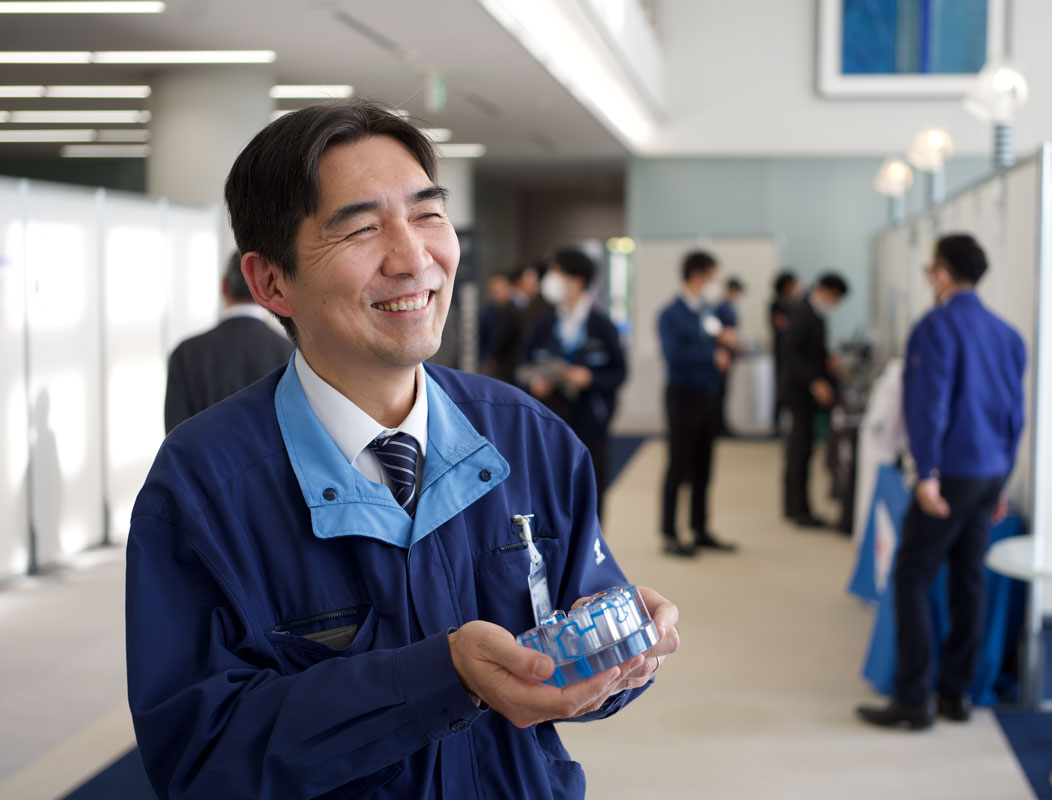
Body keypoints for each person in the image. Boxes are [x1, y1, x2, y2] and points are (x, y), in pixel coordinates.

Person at [126, 100, 680, 800]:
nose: (415, 259)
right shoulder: (204, 487)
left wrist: (623, 653)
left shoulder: (529, 437)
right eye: (361, 227)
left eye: (427, 214)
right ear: (270, 282)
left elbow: (585, 631)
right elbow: (201, 758)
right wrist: (439, 678)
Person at [857, 234, 1025, 730]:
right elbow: (1015, 415)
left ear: (944, 274)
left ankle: (913, 698)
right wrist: (1002, 481)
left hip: (950, 473)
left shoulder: (935, 327)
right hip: (989, 472)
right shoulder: (1007, 334)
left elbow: (928, 406)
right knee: (968, 579)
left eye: (931, 270)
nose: (930, 279)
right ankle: (956, 693)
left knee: (912, 573)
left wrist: (925, 473)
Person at [518, 248, 627, 523]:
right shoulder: (543, 325)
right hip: (549, 421)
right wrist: (534, 382)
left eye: (556, 273)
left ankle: (591, 547)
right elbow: (521, 369)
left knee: (591, 492)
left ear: (577, 280)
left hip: (591, 422)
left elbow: (619, 373)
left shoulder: (601, 325)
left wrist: (590, 378)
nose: (550, 279)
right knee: (549, 492)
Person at [657, 250, 739, 557]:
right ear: (696, 276)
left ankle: (700, 528)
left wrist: (726, 343)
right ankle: (670, 533)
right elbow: (674, 354)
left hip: (709, 393)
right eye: (711, 277)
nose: (714, 283)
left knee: (704, 465)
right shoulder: (671, 314)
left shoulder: (708, 312)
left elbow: (718, 337)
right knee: (679, 463)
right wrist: (711, 355)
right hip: (683, 394)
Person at [163, 251, 293, 432]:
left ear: (223, 287)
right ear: (265, 288)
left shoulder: (186, 353)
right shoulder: (289, 351)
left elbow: (174, 433)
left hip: (202, 451)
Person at [780, 273, 848, 528]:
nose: (834, 303)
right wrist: (815, 381)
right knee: (799, 450)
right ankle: (798, 509)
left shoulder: (814, 313)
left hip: (806, 390)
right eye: (834, 297)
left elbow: (811, 350)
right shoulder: (802, 313)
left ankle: (796, 507)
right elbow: (791, 355)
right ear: (824, 290)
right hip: (799, 392)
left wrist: (827, 361)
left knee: (802, 449)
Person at [768, 270, 800, 436]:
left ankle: (789, 423)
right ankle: (776, 423)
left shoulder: (794, 303)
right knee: (780, 387)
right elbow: (780, 324)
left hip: (792, 353)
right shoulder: (776, 304)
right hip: (781, 351)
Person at [713, 277, 744, 436]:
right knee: (718, 391)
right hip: (721, 354)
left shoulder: (731, 308)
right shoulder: (720, 308)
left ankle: (721, 422)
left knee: (724, 391)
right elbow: (718, 332)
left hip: (729, 353)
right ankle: (717, 424)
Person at [478, 271, 522, 382]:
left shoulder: (517, 313)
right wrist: (487, 357)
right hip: (492, 369)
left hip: (512, 367)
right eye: (493, 291)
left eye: (499, 290)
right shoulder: (487, 313)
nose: (496, 294)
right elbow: (483, 338)